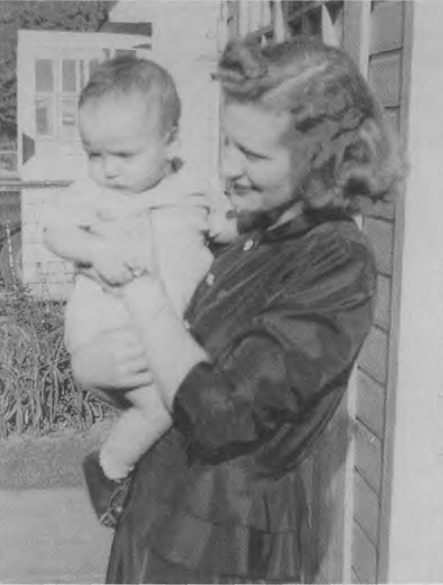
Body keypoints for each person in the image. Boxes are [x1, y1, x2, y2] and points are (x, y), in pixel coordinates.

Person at [73, 36, 402, 583]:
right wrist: (95, 371)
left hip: (225, 548)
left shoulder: (337, 262)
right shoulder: (255, 235)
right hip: (160, 515)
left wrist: (140, 289)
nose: (227, 168)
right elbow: (175, 374)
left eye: (251, 154)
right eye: (226, 144)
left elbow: (221, 415)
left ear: (320, 157)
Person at [44, 54, 213, 525]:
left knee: (176, 406)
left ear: (170, 141)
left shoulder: (193, 189)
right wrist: (94, 249)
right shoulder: (92, 194)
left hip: (162, 335)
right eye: (94, 154)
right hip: (107, 331)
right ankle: (108, 469)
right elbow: (55, 232)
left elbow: (224, 226)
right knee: (167, 405)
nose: (108, 169)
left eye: (123, 155)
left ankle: (129, 474)